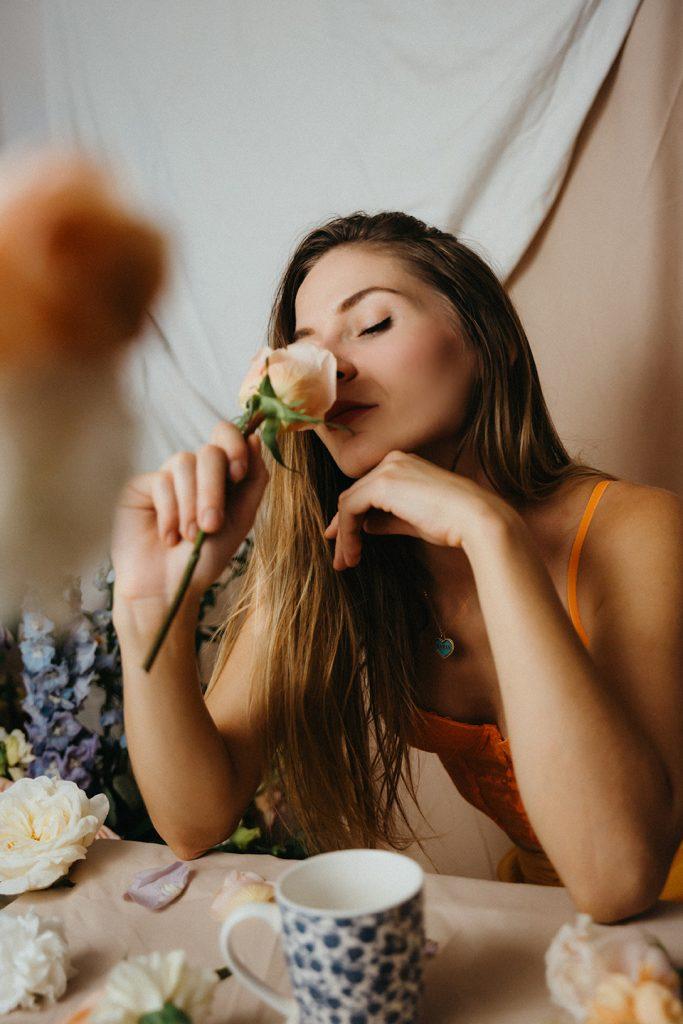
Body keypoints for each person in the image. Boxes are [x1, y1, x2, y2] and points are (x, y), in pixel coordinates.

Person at [111, 212, 683, 923]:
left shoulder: (639, 531)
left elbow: (620, 877)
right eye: (304, 350)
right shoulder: (332, 557)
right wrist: (147, 611)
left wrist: (487, 531)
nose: (333, 369)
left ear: (491, 341)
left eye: (372, 324)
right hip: (547, 931)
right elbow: (193, 821)